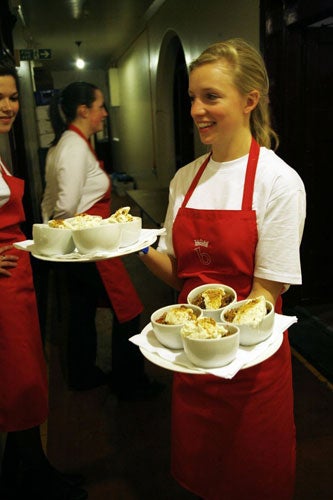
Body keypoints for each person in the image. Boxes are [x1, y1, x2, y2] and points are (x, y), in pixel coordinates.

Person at [138, 38, 306, 499]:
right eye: (192, 97)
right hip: (190, 362)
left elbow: (264, 296)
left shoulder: (278, 181)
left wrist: (218, 338)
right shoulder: (185, 178)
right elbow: (181, 276)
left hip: (250, 370)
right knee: (199, 482)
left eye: (211, 97)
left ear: (250, 100)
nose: (196, 110)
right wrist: (132, 247)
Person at [0, 53, 88, 499]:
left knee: (28, 380)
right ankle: (31, 478)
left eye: (12, 97)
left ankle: (25, 469)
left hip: (15, 280)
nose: (7, 106)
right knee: (19, 385)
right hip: (2, 287)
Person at [41, 81, 161, 399]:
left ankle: (82, 373)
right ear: (84, 111)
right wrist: (74, 238)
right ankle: (129, 382)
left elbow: (48, 201)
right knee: (128, 308)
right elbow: (65, 205)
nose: (105, 113)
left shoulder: (62, 145)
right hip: (89, 246)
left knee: (81, 309)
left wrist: (53, 240)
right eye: (100, 106)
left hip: (76, 245)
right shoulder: (74, 147)